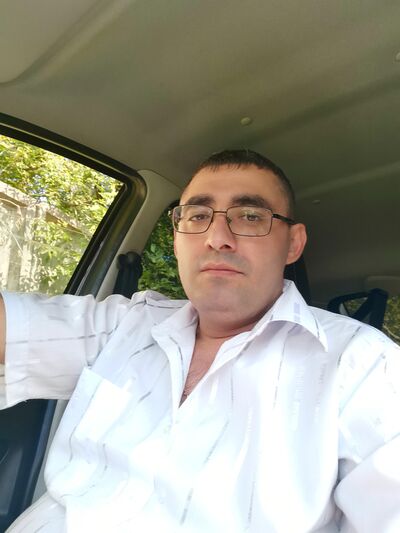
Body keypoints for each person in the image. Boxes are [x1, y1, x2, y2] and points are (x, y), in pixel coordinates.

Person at [0, 149, 399, 532]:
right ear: (177, 240)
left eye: (250, 216)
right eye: (197, 216)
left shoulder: (364, 365)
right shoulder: (127, 323)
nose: (217, 237)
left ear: (293, 244)